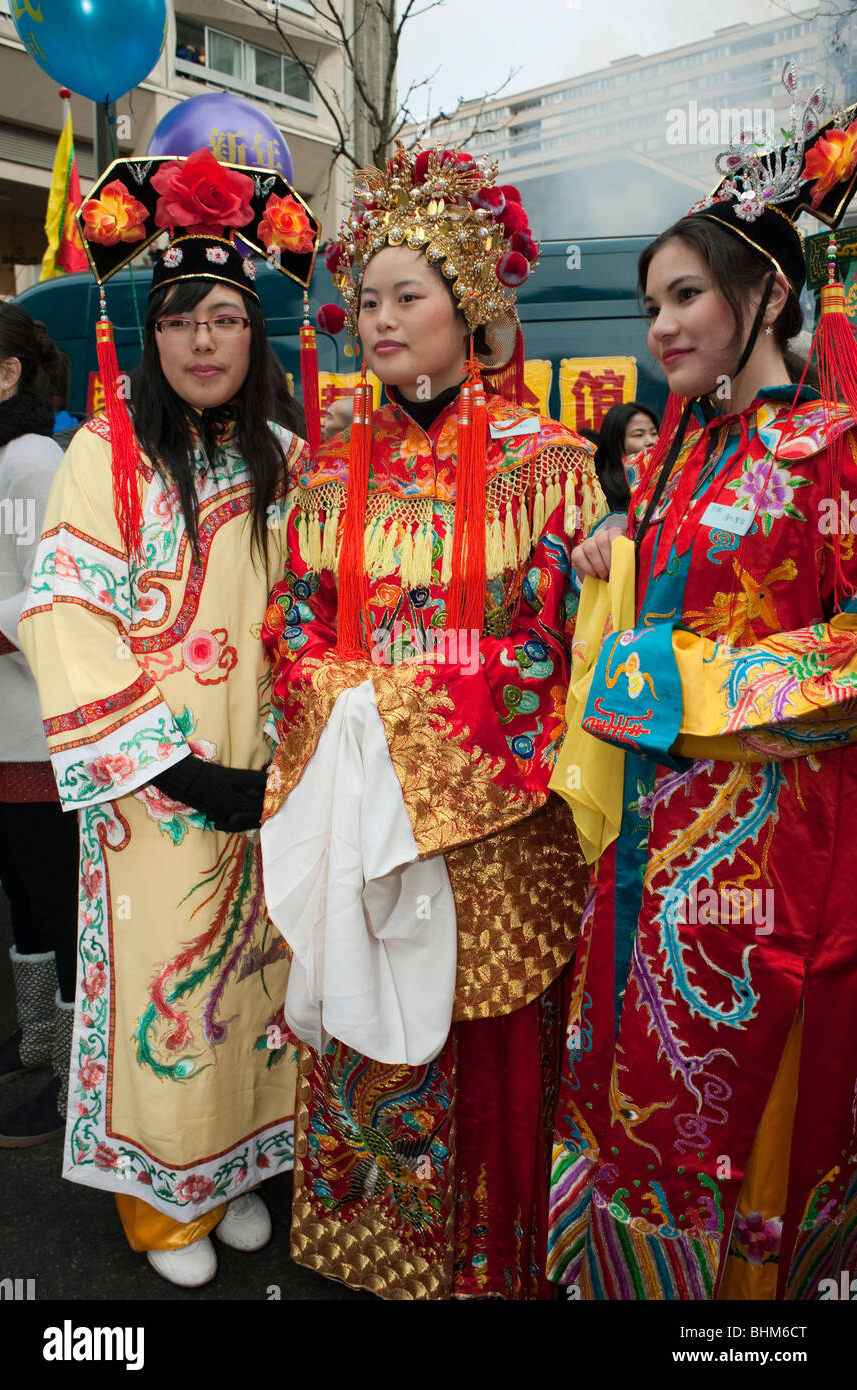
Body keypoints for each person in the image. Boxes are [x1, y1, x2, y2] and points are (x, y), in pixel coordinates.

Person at [260, 143, 606, 1300]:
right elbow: (290, 636)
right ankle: (375, 1257)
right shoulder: (324, 478)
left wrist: (393, 704)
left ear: (473, 308)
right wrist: (340, 701)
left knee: (490, 1050)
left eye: (410, 295)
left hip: (492, 838)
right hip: (366, 830)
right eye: (368, 298)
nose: (382, 318)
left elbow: (557, 658)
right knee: (370, 1034)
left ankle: (490, 1269)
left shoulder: (550, 468)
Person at [547, 67, 857, 1300]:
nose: (662, 324)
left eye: (686, 294)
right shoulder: (683, 453)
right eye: (651, 303)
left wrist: (691, 680)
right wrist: (612, 566)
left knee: (738, 1118)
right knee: (631, 1090)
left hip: (767, 858)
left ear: (766, 292)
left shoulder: (828, 447)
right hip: (647, 852)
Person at [19, 148, 320, 1288]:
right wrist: (177, 768)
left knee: (260, 982)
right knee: (163, 986)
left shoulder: (289, 458)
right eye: (182, 315)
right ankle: (159, 1202)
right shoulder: (107, 454)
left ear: (255, 336)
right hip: (153, 791)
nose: (204, 339)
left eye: (227, 318)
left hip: (268, 778)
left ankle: (236, 1170)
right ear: (151, 335)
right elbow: (66, 619)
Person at [0, 302, 79, 1148]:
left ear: (8, 372)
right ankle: (40, 1038)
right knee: (20, 896)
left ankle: (73, 1077)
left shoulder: (31, 458)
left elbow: (48, 584)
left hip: (35, 726)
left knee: (60, 905)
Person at [594, 400, 659, 510]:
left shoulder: (667, 479)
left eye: (654, 433)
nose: (651, 441)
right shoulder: (598, 491)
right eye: (638, 435)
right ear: (615, 442)